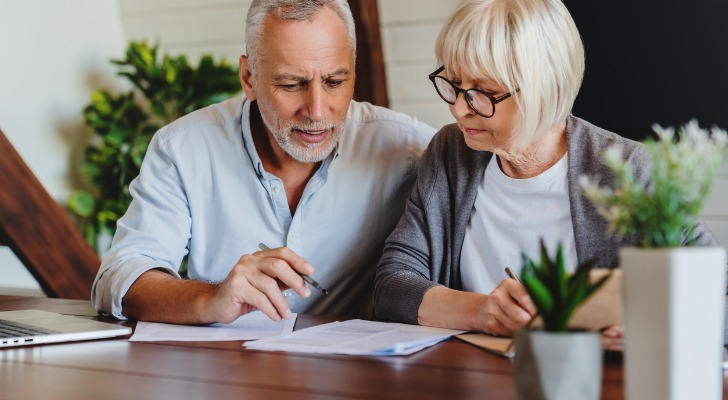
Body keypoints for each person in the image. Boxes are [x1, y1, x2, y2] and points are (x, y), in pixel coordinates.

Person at [373, 0, 719, 352]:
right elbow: (392, 286)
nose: (460, 108)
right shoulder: (450, 152)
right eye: (455, 83)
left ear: (544, 89)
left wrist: (656, 322)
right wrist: (481, 311)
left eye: (484, 93)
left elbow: (717, 290)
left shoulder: (628, 170)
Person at [92, 0, 435, 324]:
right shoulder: (182, 148)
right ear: (249, 78)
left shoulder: (405, 147)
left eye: (335, 81)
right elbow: (119, 277)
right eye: (291, 83)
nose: (317, 111)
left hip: (354, 376)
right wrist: (210, 299)